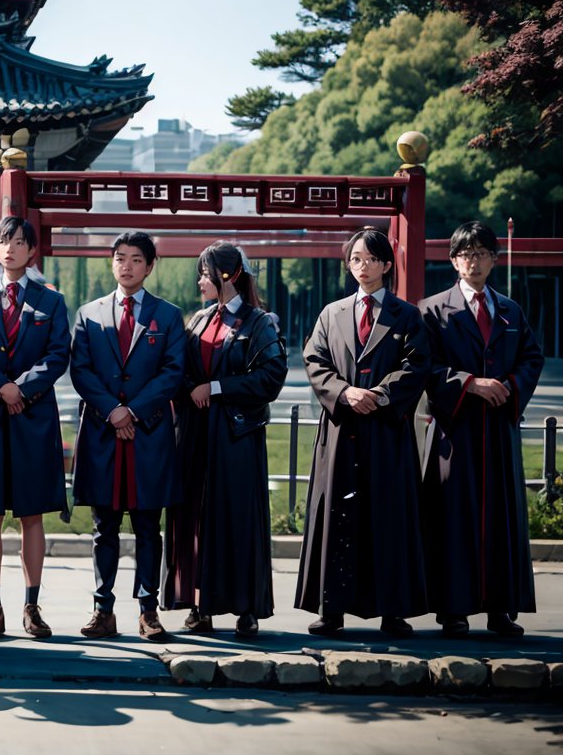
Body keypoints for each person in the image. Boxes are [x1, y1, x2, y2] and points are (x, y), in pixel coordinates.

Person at [295, 227, 429, 637]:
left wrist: (381, 395)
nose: (362, 266)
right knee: (337, 515)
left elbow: (417, 364)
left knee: (388, 518)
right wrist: (345, 392)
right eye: (355, 258)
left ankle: (393, 610)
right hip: (341, 429)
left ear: (387, 265)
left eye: (371, 258)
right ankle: (331, 608)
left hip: (387, 432)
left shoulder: (406, 316)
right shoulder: (331, 313)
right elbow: (314, 360)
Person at [418, 221, 544, 637]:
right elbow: (424, 367)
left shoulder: (510, 310)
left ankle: (500, 610)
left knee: (501, 519)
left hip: (499, 430)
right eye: (466, 253)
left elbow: (531, 357)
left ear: (495, 258)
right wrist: (471, 384)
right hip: (457, 430)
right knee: (455, 518)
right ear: (453, 260)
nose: (474, 260)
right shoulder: (432, 310)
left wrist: (508, 388)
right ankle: (453, 610)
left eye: (482, 252)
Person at [162, 242, 287, 638]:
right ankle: (200, 606)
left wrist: (214, 388)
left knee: (237, 520)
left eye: (206, 273)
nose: (200, 281)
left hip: (236, 438)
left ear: (229, 275)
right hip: (197, 435)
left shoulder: (259, 322)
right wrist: (187, 387)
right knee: (196, 519)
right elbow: (180, 372)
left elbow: (270, 379)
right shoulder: (198, 320)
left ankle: (245, 608)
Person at [70, 231, 186, 641]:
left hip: (148, 433)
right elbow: (80, 370)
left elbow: (173, 372)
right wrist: (112, 410)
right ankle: (103, 609)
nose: (127, 265)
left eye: (136, 259)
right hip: (104, 431)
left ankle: (147, 610)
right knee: (104, 527)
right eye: (120, 258)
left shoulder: (168, 315)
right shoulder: (89, 314)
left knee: (147, 526)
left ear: (150, 266)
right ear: (112, 262)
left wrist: (133, 411)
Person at [0, 216, 70, 641]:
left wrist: (19, 389)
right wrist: (0, 386)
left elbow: (58, 354)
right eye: (4, 241)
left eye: (20, 242)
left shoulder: (50, 300)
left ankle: (31, 605)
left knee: (31, 515)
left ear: (32, 251)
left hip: (32, 416)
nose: (11, 249)